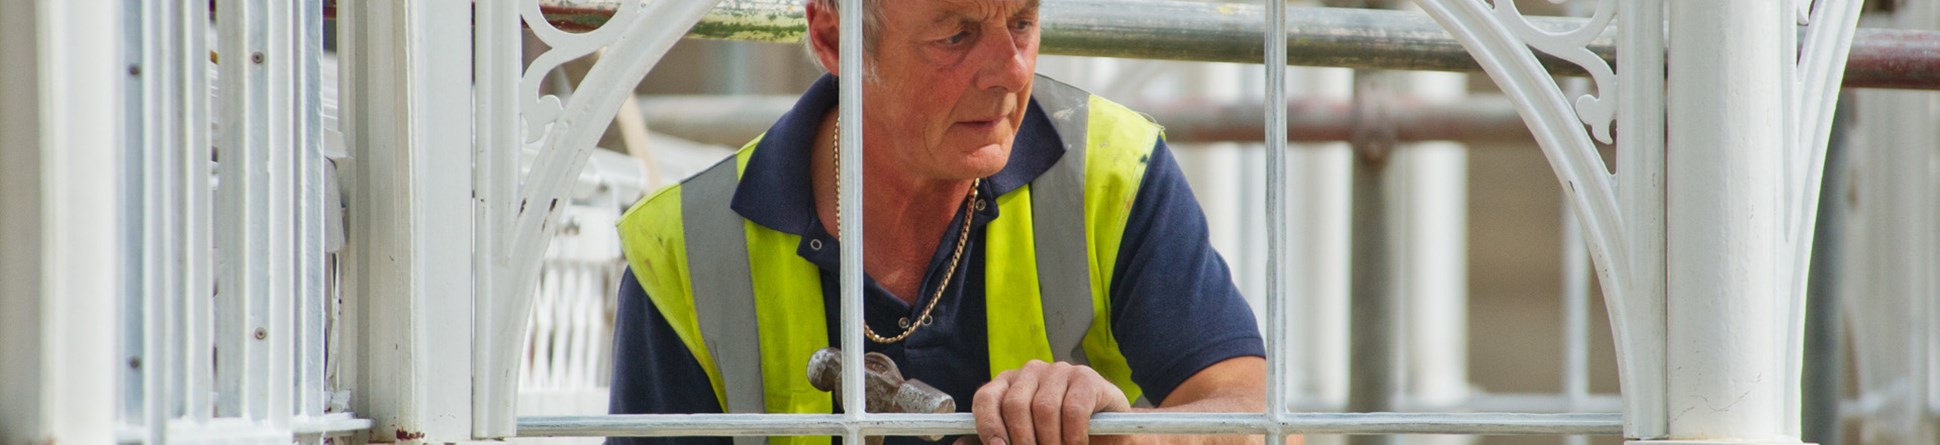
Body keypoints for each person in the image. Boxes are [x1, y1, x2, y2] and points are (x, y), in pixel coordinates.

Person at [609, 1, 1268, 445]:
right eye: (956, 34)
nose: (1011, 69)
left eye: (1022, 19)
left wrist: (1119, 437)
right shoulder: (683, 254)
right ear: (833, 34)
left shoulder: (1112, 171)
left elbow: (1265, 419)